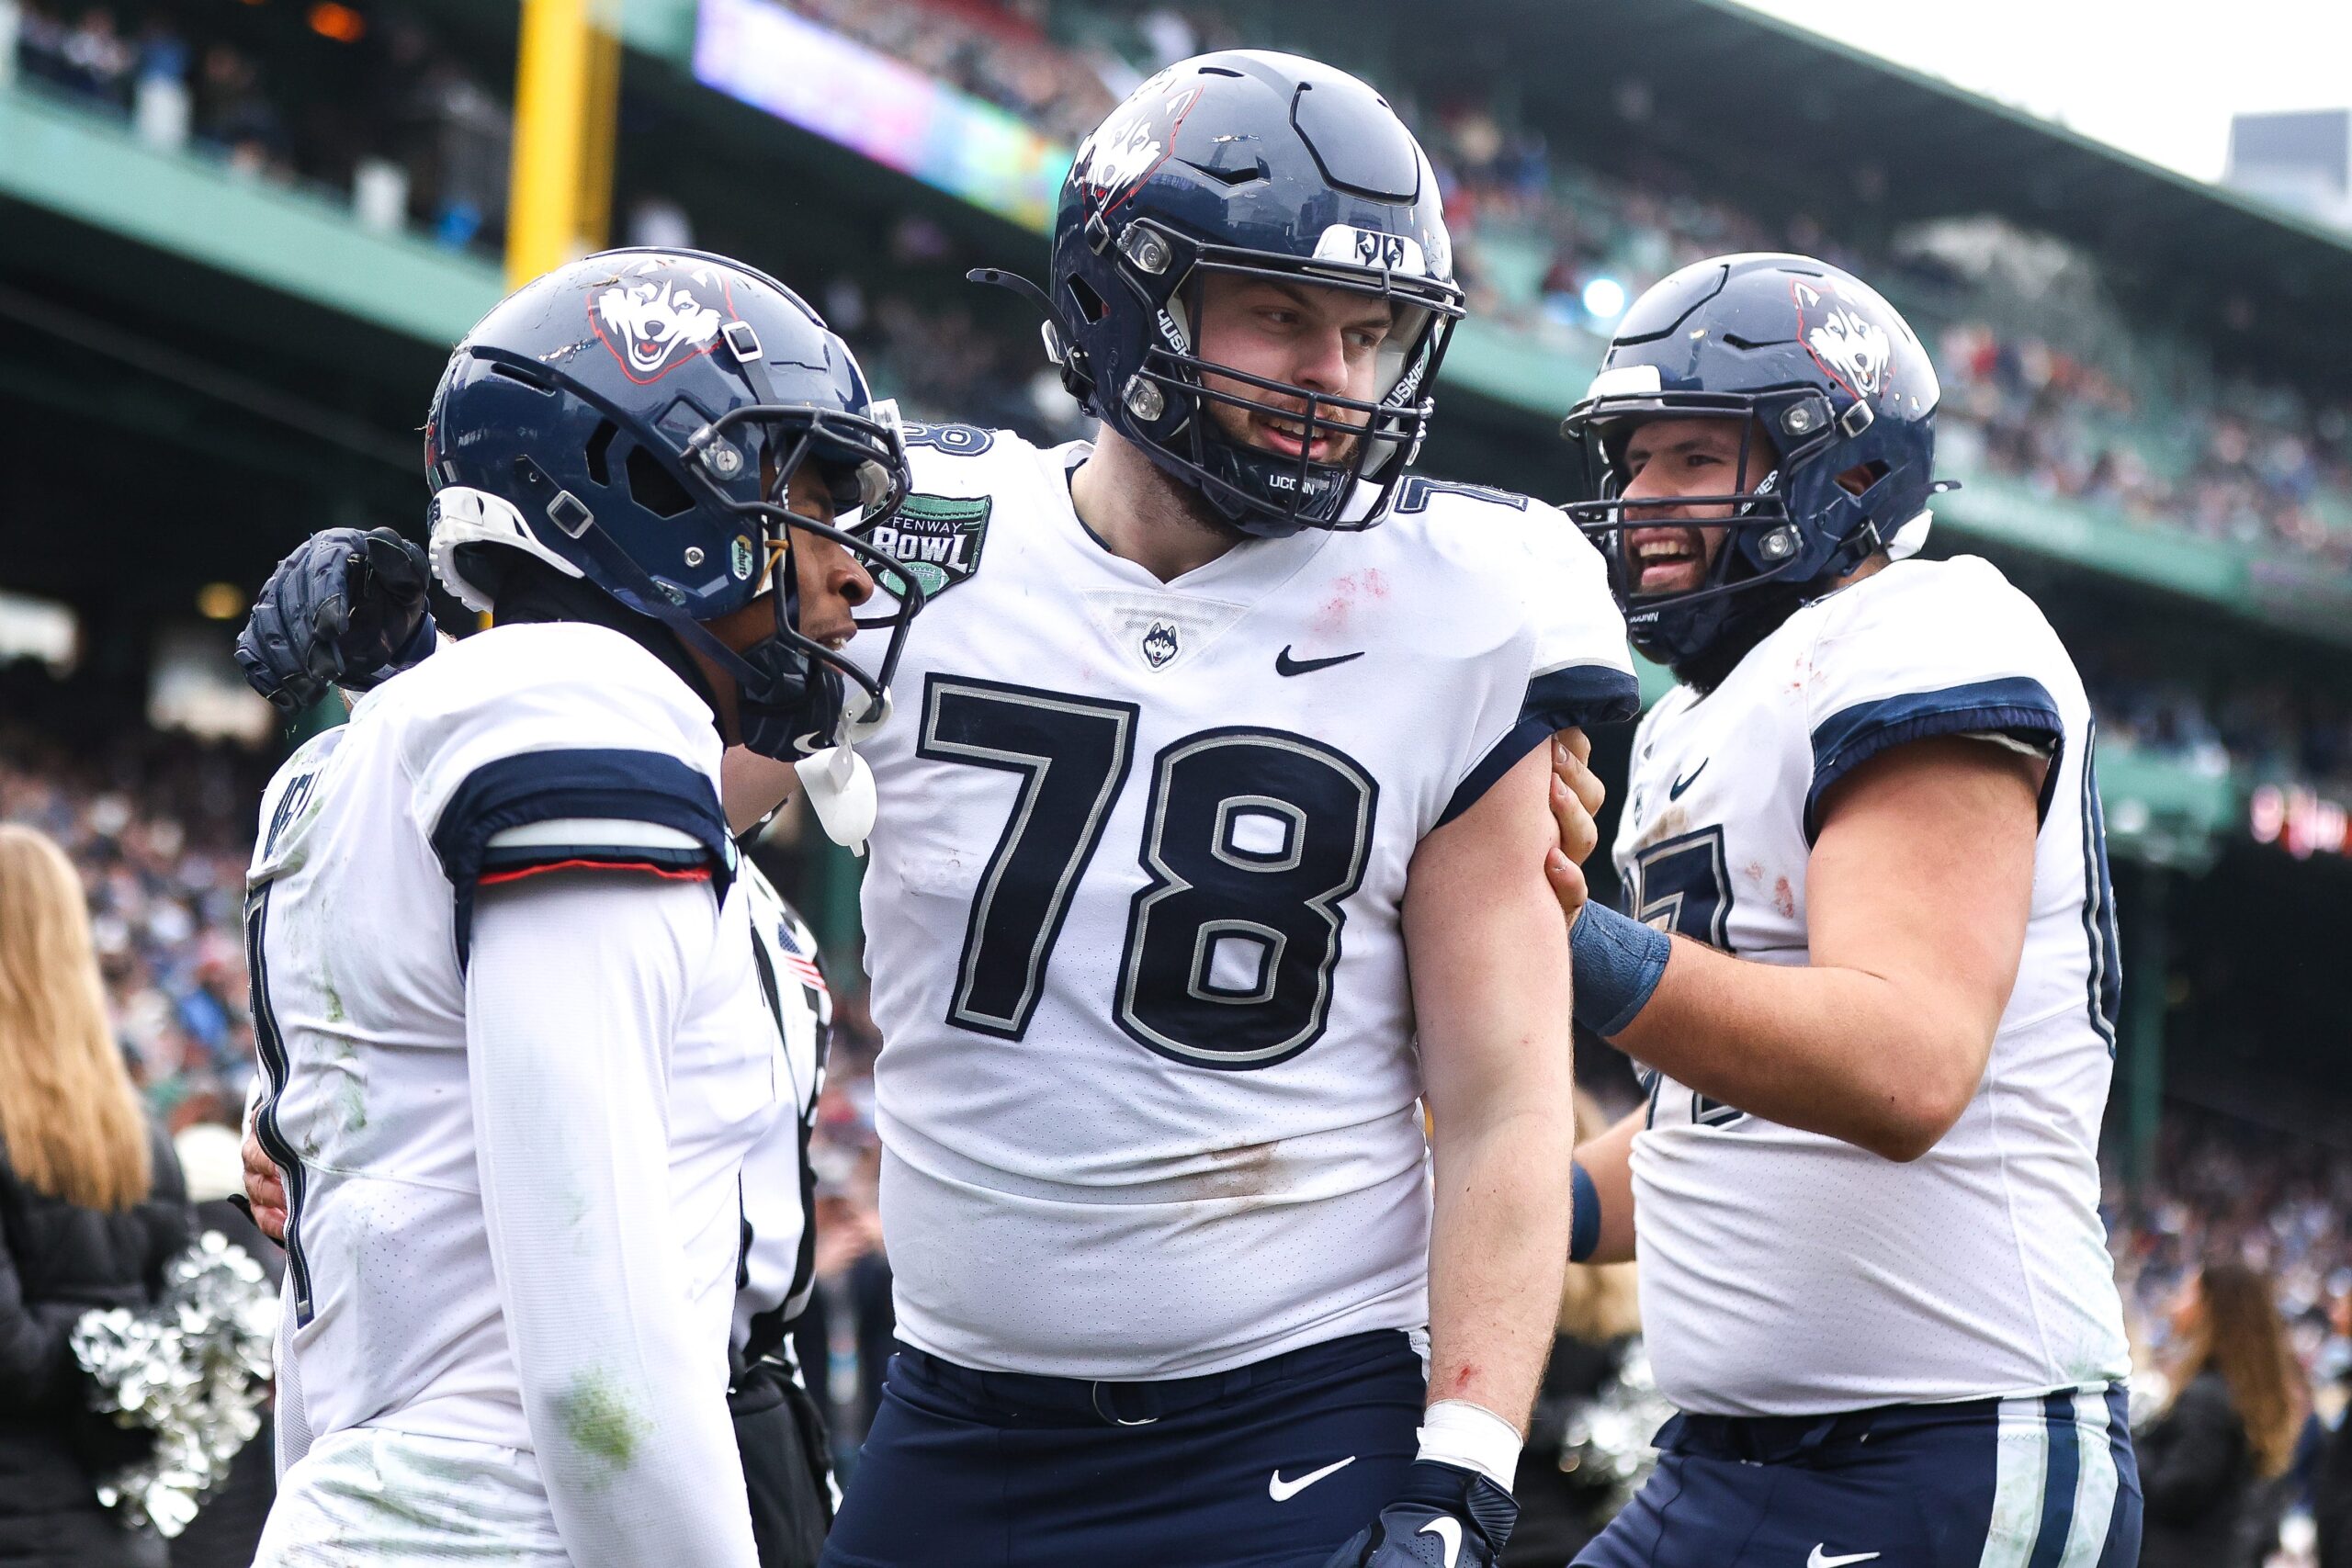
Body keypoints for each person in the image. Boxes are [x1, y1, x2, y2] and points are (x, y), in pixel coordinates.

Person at [236, 51, 1638, 1568]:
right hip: (958, 1411)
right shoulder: (920, 529)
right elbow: (641, 797)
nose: (1335, 377)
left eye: (1370, 333)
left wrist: (1464, 1463)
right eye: (1282, 314)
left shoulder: (1469, 601)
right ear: (1125, 297)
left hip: (1296, 1403)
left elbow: (1504, 1102)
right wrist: (458, 669)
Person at [241, 247, 918, 1568]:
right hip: (534, 1508)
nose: (854, 574)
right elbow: (599, 1373)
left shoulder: (389, 748)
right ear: (662, 482)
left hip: (450, 1486)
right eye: (814, 500)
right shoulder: (562, 711)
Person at [1546, 253, 2143, 1567]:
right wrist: (1518, 1207)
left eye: (1693, 459)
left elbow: (1900, 1062)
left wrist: (1550, 939)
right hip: (1724, 1459)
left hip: (1936, 1449)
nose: (1641, 501)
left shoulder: (1926, 630)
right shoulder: (1686, 722)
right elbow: (1717, 1124)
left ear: (1847, 469)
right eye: (1632, 462)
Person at [0, 824, 193, 1568]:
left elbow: (11, 1354)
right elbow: (178, 1329)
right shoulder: (143, 1130)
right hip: (120, 1529)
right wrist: (115, 1354)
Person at [2137, 1262, 2302, 1568]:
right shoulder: (2240, 1393)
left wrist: (2129, 1447)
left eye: (2188, 1293)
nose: (2176, 1304)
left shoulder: (2208, 1396)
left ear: (2212, 1308)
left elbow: (2178, 1490)